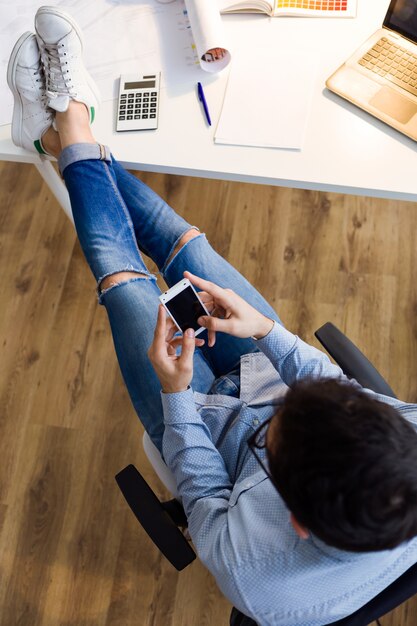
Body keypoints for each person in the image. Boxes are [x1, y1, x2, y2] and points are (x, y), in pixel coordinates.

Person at [8, 7, 417, 626]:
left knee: (125, 285)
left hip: (206, 428)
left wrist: (178, 396)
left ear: (295, 520)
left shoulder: (259, 582)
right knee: (187, 251)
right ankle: (69, 131)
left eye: (284, 428)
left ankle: (66, 127)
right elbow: (336, 388)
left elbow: (201, 492)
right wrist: (268, 335)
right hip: (259, 375)